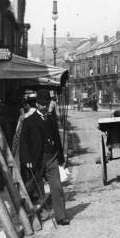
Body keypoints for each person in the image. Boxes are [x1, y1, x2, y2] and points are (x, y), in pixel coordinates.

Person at [19, 89, 69, 226]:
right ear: (36, 104)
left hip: (52, 158)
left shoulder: (51, 119)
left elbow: (57, 139)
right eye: (42, 104)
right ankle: (21, 211)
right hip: (36, 160)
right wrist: (26, 160)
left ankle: (61, 217)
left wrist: (61, 158)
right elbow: (23, 143)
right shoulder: (28, 121)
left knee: (57, 187)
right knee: (30, 188)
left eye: (47, 104)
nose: (45, 106)